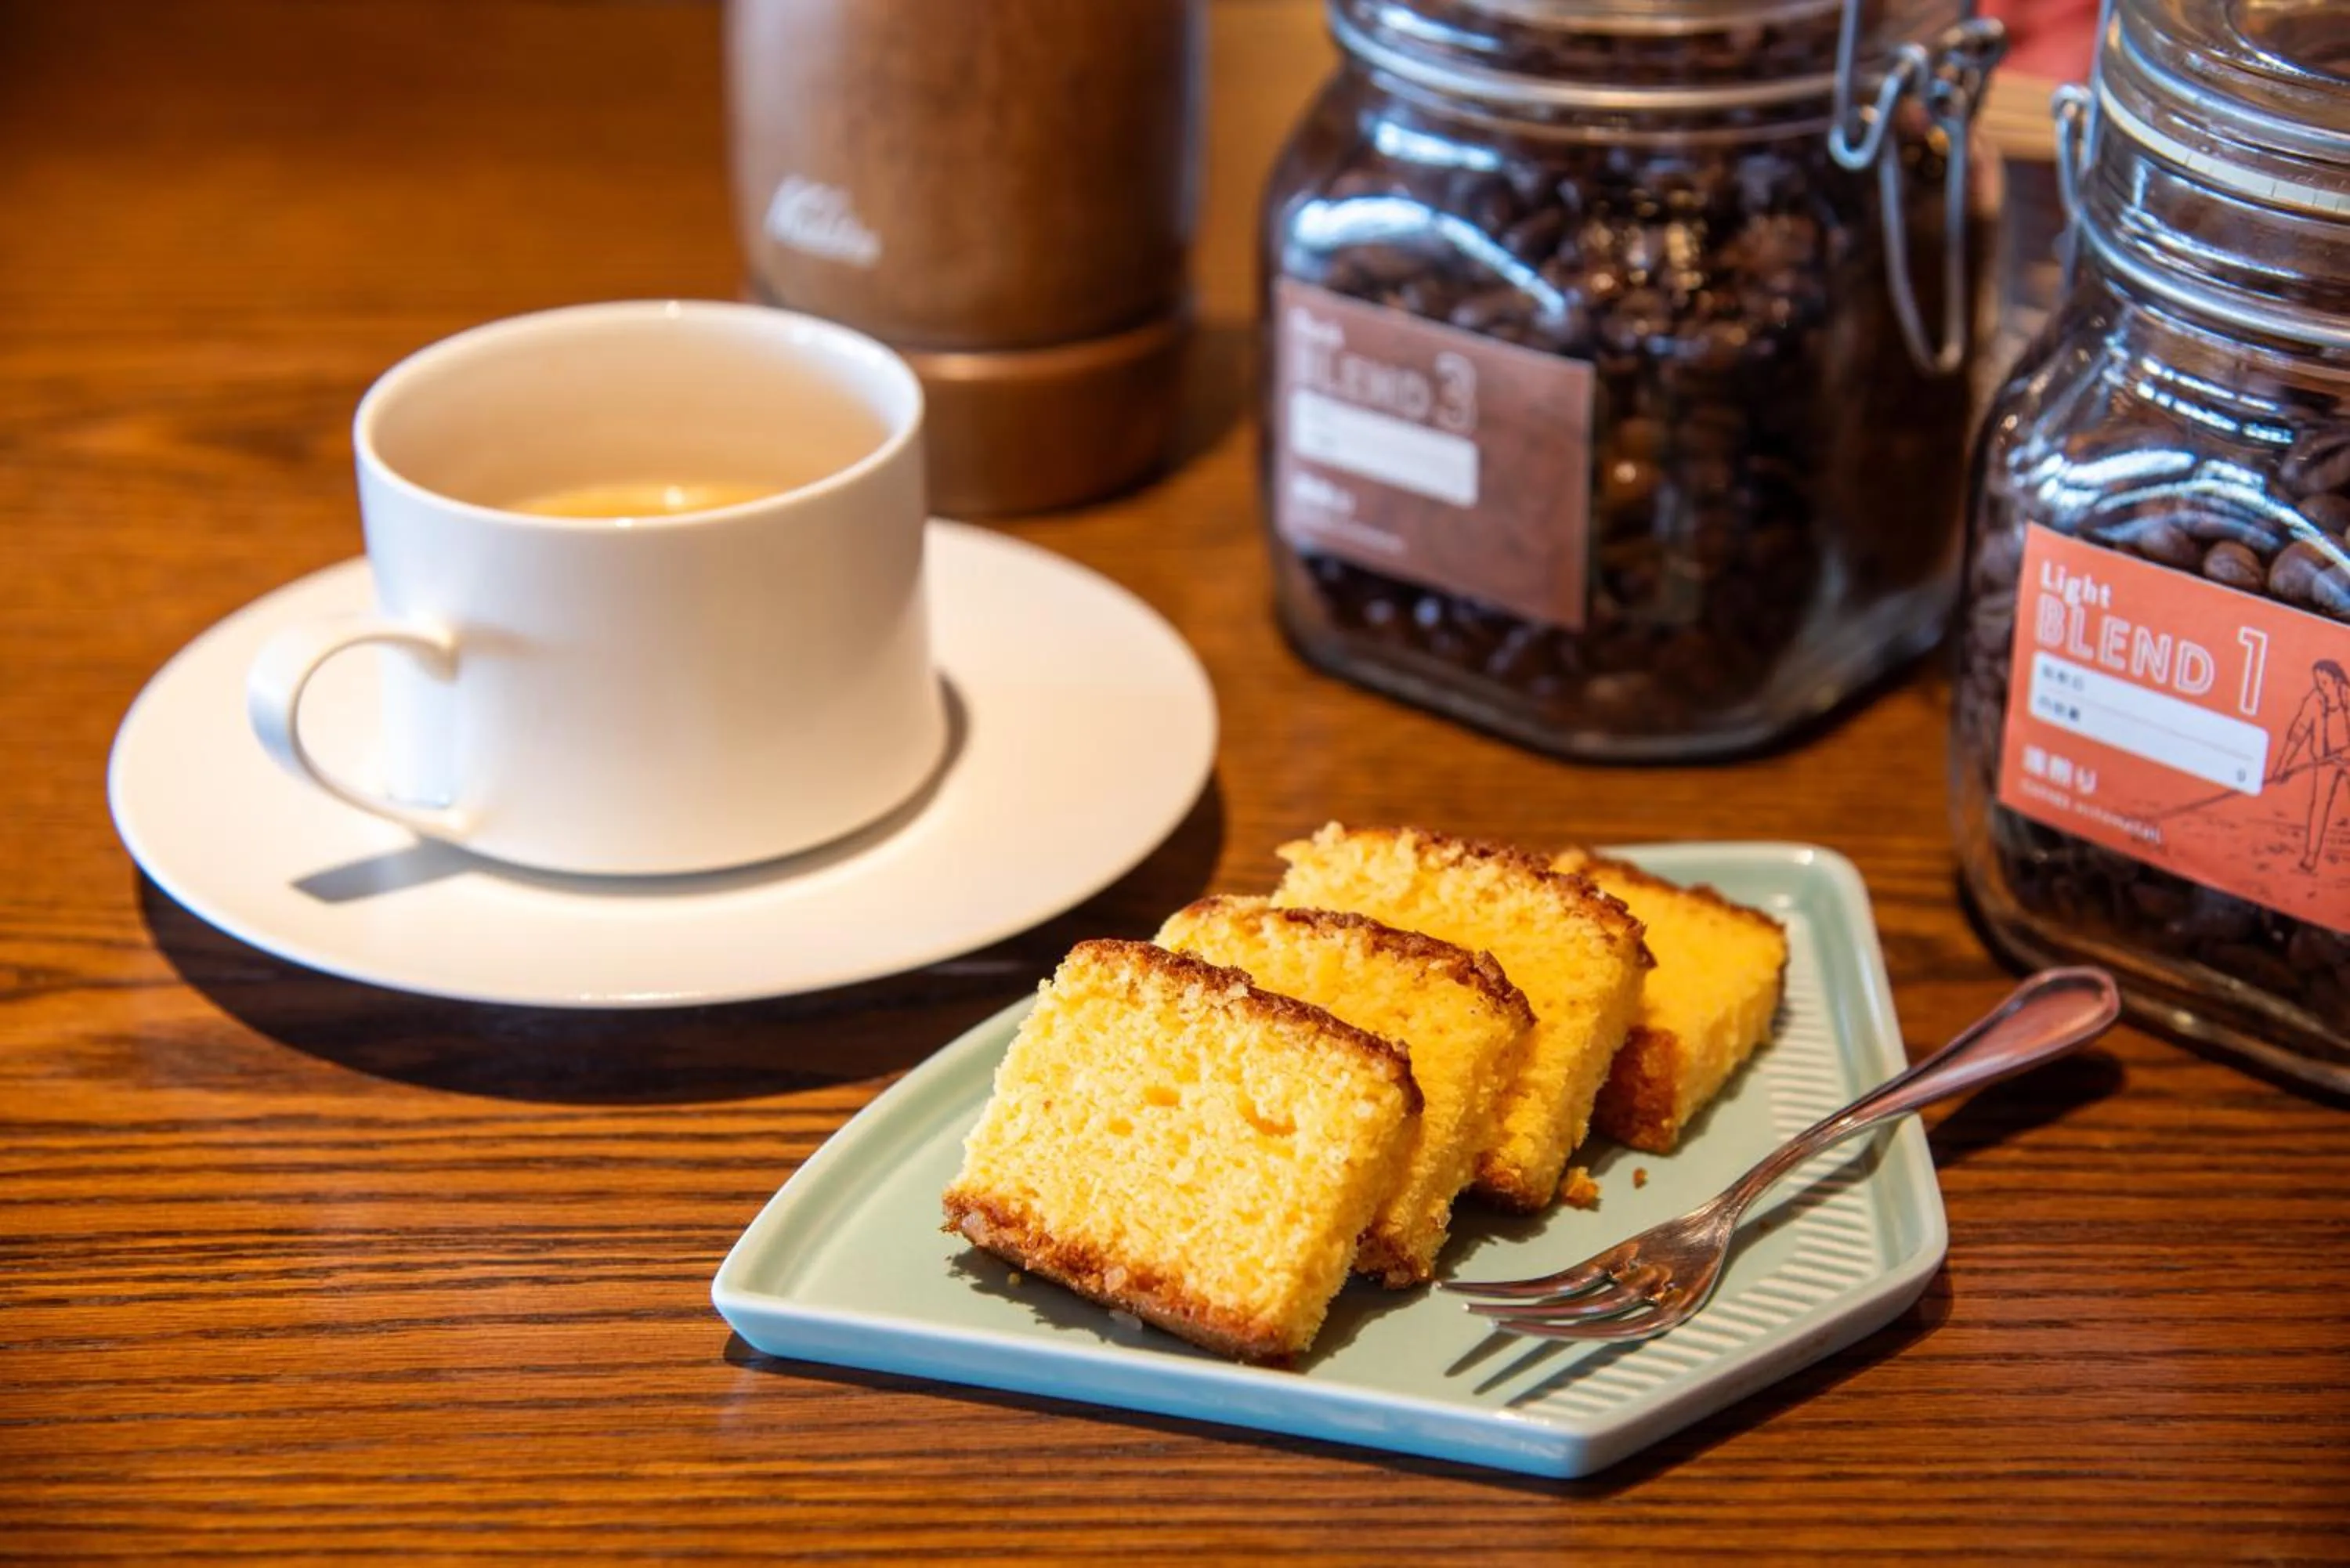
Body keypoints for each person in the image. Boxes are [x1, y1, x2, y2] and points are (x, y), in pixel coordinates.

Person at [2274, 659, 2350, 872]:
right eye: (2318, 682)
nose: (2320, 688)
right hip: (2325, 762)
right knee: (2319, 806)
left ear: (2336, 681)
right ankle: (2311, 856)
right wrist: (2282, 767)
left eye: (2324, 683)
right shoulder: (2314, 701)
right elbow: (2298, 733)